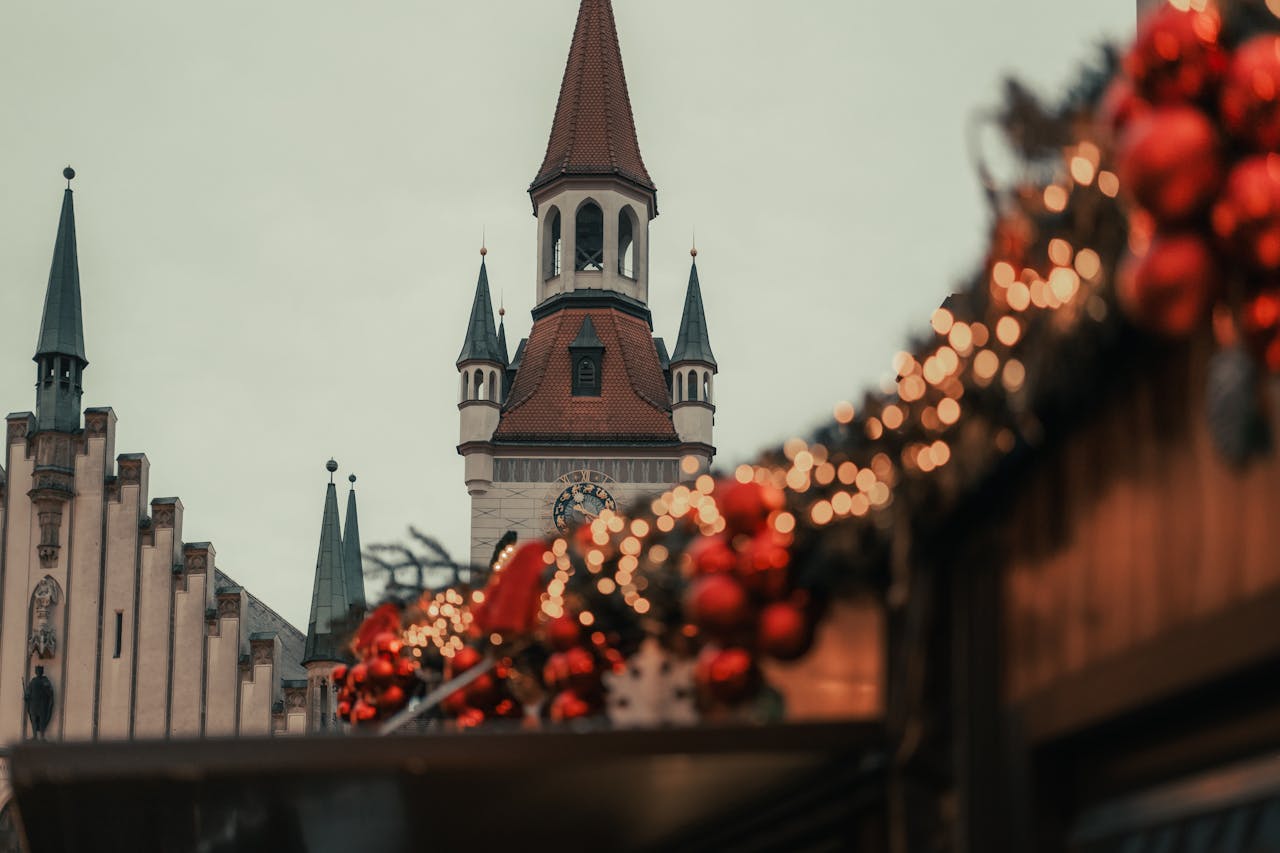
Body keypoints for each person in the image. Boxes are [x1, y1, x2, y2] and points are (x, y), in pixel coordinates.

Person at [23, 666, 54, 740]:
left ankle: (42, 737)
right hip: (33, 704)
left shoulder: (45, 681)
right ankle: (34, 736)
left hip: (42, 704)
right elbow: (28, 691)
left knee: (42, 720)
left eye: (39, 670)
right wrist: (26, 696)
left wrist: (46, 689)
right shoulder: (33, 681)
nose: (38, 672)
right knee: (33, 720)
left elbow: (50, 693)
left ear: (42, 672)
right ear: (35, 672)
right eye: (37, 670)